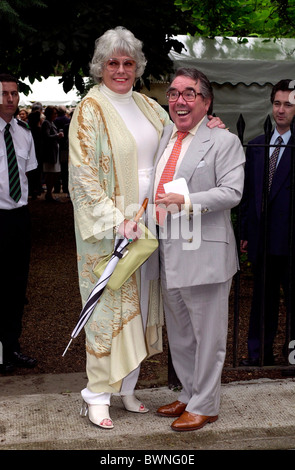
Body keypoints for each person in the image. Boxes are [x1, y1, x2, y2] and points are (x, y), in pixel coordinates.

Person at [68, 27, 224, 429]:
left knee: (138, 305)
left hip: (151, 223)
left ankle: (126, 387)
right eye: (113, 63)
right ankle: (96, 394)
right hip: (111, 229)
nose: (121, 70)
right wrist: (117, 221)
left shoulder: (148, 105)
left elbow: (180, 135)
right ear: (100, 66)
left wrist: (211, 124)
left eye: (128, 63)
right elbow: (82, 177)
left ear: (137, 67)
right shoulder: (89, 109)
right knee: (107, 308)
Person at [147, 67, 245, 432]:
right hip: (169, 252)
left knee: (208, 337)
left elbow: (232, 193)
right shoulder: (165, 137)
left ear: (206, 102)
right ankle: (189, 394)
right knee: (183, 334)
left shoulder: (224, 141)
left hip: (205, 254)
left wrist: (185, 200)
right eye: (173, 93)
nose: (179, 100)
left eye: (189, 93)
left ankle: (206, 404)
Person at [240, 79, 295, 367]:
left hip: (289, 238)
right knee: (263, 301)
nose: (281, 110)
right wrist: (247, 231)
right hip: (263, 237)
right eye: (277, 103)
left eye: (288, 104)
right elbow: (250, 193)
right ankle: (258, 354)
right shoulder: (259, 144)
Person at [0, 73, 38, 372]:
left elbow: (30, 175)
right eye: (4, 93)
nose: (10, 99)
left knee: (16, 286)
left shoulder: (24, 132)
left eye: (14, 93)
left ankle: (12, 349)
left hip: (19, 219)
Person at [41, 106, 63, 202]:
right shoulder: (46, 123)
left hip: (53, 152)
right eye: (54, 113)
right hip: (50, 153)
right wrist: (57, 135)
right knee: (51, 173)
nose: (56, 115)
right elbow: (46, 136)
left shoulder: (51, 122)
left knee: (55, 173)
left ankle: (50, 193)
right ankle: (49, 193)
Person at [54, 106, 70, 195]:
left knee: (60, 168)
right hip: (66, 148)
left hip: (60, 146)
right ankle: (65, 187)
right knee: (65, 168)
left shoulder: (56, 121)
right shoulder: (67, 121)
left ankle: (57, 187)